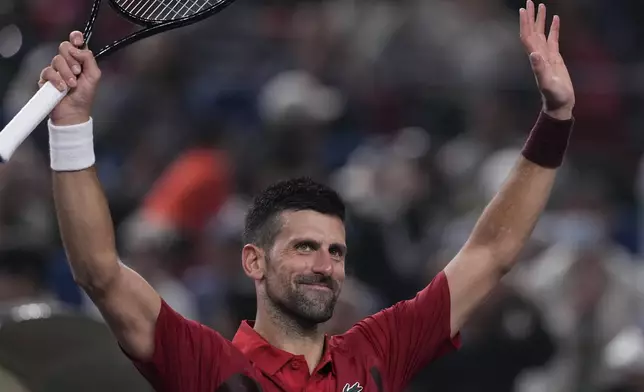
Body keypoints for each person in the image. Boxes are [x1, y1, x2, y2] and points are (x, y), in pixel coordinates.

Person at [39, 1, 574, 391]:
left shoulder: (377, 350)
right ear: (253, 260)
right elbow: (99, 272)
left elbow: (490, 253)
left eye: (335, 251)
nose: (325, 265)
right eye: (304, 248)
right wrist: (71, 125)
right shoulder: (208, 365)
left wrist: (555, 119)